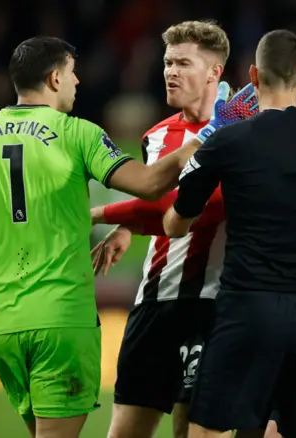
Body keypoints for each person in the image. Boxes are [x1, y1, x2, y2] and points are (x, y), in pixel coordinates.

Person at [0, 36, 256, 438]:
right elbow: (151, 184)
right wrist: (211, 133)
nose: (78, 81)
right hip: (62, 321)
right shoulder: (77, 133)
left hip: (0, 325)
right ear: (54, 78)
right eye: (72, 73)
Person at [159, 29, 296, 438]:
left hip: (248, 305)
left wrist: (210, 141)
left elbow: (174, 224)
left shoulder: (229, 139)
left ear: (252, 75)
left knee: (209, 428)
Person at [92, 190, 296, 438]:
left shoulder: (255, 156)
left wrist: (95, 214)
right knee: (236, 424)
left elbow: (181, 206)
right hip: (270, 312)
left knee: (289, 428)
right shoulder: (291, 148)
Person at [91, 20, 255, 438]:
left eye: (183, 63)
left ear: (215, 72)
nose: (170, 72)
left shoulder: (244, 137)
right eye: (168, 62)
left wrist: (100, 215)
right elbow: (156, 198)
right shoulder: (157, 136)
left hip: (214, 304)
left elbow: (189, 208)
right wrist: (130, 226)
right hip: (156, 301)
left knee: (192, 431)